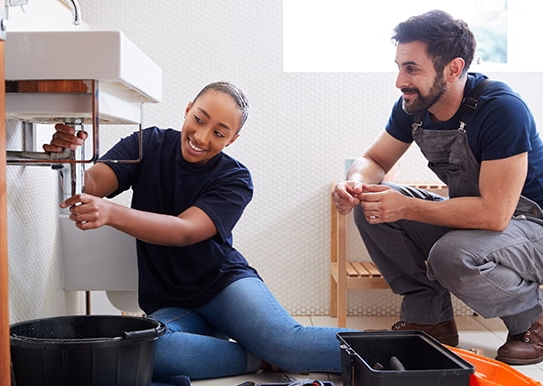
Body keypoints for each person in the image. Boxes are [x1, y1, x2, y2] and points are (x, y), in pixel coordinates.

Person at [45, 81, 353, 380]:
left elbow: (184, 231)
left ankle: (392, 347)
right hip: (169, 301)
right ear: (188, 109)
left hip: (224, 286)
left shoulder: (235, 178)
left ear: (232, 139)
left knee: (288, 344)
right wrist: (68, 157)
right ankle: (259, 356)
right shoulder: (146, 144)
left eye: (219, 133)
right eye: (199, 120)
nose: (202, 137)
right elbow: (94, 182)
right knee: (150, 347)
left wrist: (112, 212)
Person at [331, 10, 543, 365]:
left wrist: (406, 207)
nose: (399, 81)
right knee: (372, 207)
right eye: (399, 66)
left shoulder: (501, 109)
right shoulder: (414, 105)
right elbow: (375, 160)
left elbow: (495, 214)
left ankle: (531, 315)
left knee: (450, 254)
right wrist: (356, 184)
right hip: (475, 220)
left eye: (412, 68)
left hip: (534, 228)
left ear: (454, 68)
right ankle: (432, 319)